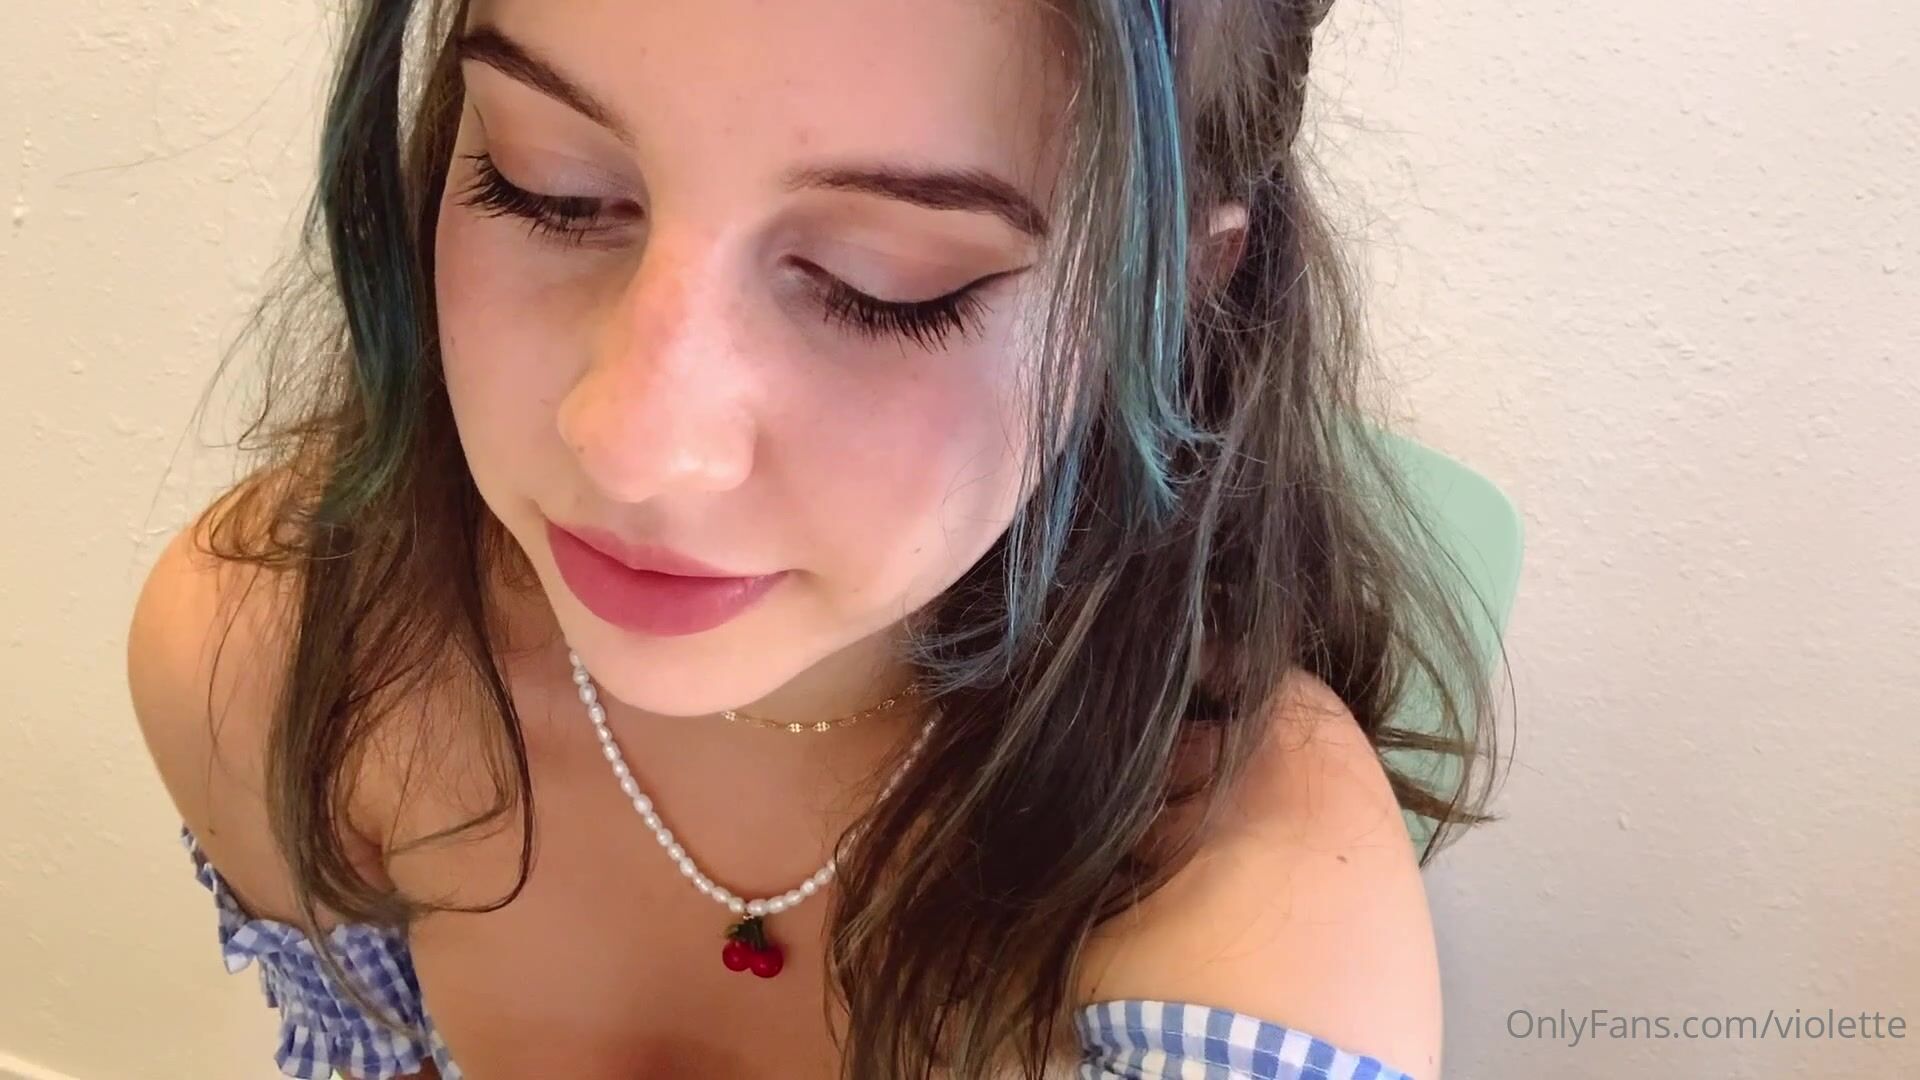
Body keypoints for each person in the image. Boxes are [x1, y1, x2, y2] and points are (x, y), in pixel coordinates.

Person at [128, 0, 1496, 1076]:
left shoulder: (1249, 932)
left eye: (881, 287)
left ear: (1168, 295)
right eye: (552, 190)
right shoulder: (275, 661)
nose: (637, 443)